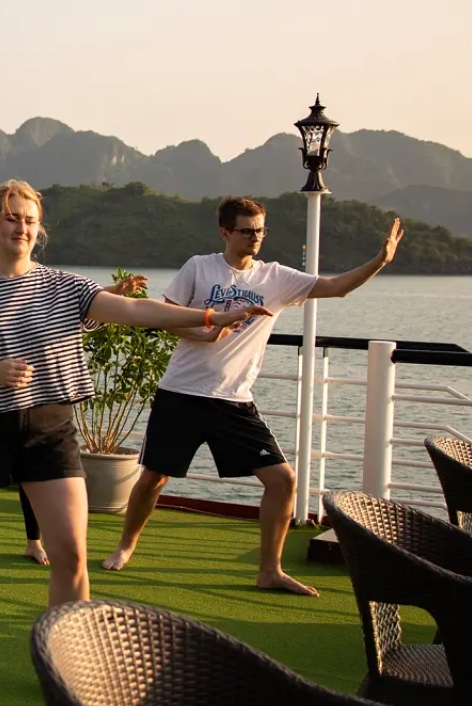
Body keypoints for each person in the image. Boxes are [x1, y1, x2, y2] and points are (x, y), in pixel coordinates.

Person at [0, 180, 268, 669]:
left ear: (39, 230)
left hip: (49, 429)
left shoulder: (66, 286)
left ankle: (68, 664)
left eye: (30, 219)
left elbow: (134, 310)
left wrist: (212, 313)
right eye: (12, 217)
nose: (21, 227)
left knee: (71, 553)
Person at [102, 199, 405, 595]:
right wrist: (206, 332)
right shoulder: (200, 267)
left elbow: (336, 287)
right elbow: (166, 315)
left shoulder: (276, 278)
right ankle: (126, 546)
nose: (255, 237)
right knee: (154, 478)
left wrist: (380, 260)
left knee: (282, 481)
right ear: (226, 233)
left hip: (234, 401)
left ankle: (270, 571)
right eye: (247, 230)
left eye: (260, 230)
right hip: (182, 392)